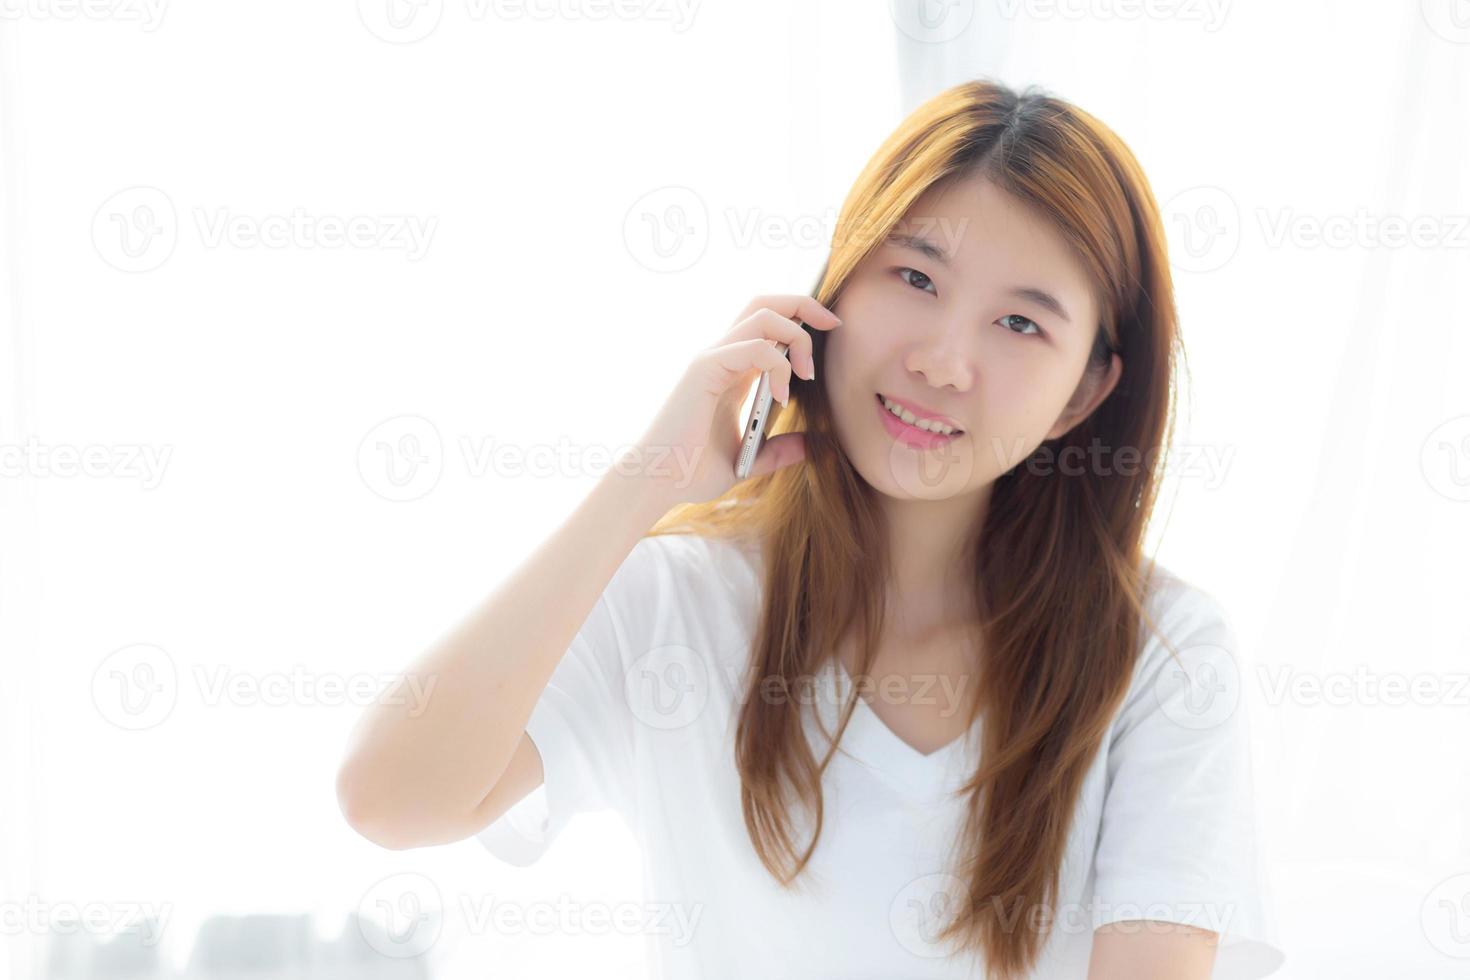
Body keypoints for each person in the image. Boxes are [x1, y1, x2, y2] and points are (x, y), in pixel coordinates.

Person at [335, 78, 1285, 979]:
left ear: (1085, 393)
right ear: (831, 283)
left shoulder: (1162, 654)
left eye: (1021, 325)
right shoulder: (678, 598)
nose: (944, 361)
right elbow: (389, 800)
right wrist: (644, 486)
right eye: (915, 275)